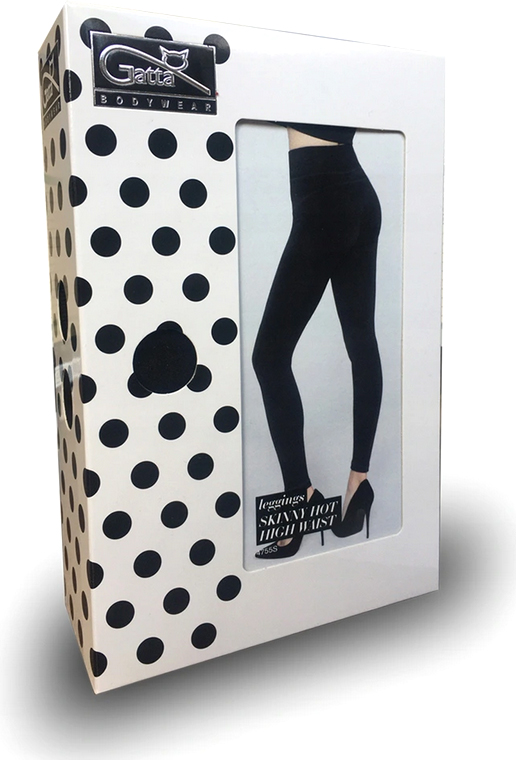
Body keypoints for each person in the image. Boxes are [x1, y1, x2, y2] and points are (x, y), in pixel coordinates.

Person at [253, 122, 382, 560]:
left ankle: (300, 497)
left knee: (269, 358)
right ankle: (359, 482)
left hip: (323, 200)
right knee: (361, 342)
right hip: (358, 194)